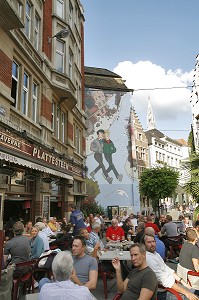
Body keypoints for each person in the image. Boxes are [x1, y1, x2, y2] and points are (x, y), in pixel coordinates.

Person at [143, 233, 198, 300]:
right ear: (144, 244)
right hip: (164, 291)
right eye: (149, 242)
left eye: (153, 241)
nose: (152, 244)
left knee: (195, 292)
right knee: (195, 295)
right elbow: (164, 281)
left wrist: (183, 282)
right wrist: (186, 293)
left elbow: (167, 269)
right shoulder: (149, 259)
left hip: (173, 285)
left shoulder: (155, 254)